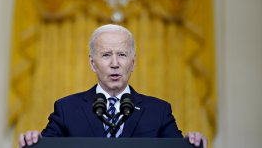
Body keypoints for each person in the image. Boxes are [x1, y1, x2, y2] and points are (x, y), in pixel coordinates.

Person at [18, 24, 208, 148]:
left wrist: (192, 142)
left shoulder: (158, 111)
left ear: (133, 63)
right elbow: (46, 145)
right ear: (93, 63)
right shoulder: (67, 109)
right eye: (106, 55)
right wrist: (33, 140)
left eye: (122, 55)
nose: (114, 63)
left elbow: (176, 145)